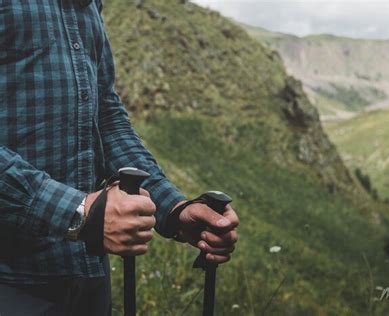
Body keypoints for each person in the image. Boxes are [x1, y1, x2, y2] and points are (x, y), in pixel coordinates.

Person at [0, 0, 239, 315]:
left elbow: (107, 121)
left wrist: (174, 209)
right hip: (12, 282)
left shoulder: (87, 6)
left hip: (88, 278)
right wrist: (80, 213)